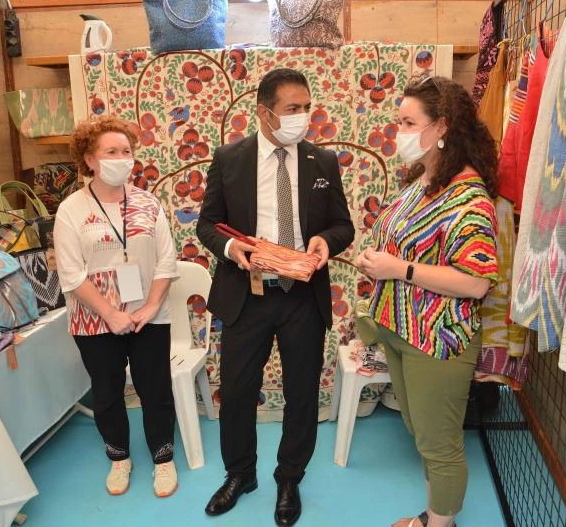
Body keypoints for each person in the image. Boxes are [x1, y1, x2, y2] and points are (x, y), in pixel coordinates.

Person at [196, 68, 354, 526]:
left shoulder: (322, 161)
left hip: (302, 296)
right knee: (237, 391)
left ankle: (289, 478)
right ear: (265, 113)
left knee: (302, 392)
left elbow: (342, 226)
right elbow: (206, 224)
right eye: (292, 109)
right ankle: (240, 474)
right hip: (247, 295)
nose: (303, 116)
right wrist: (232, 248)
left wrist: (325, 242)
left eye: (307, 107)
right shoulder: (229, 159)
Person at [353, 76, 499, 527]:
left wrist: (400, 269)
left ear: (441, 127)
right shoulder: (424, 181)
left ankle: (440, 523)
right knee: (420, 430)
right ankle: (437, 514)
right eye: (399, 121)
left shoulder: (469, 197)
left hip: (437, 339)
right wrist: (376, 261)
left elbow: (476, 282)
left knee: (439, 444)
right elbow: (405, 245)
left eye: (408, 123)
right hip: (401, 329)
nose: (398, 131)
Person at [54, 116, 180, 498]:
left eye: (127, 151)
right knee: (107, 392)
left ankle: (163, 457)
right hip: (95, 320)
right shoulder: (71, 210)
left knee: (155, 389)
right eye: (112, 151)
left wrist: (151, 306)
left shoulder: (148, 203)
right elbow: (71, 274)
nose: (122, 158)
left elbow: (167, 260)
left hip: (148, 316)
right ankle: (119, 457)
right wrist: (110, 314)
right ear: (90, 159)